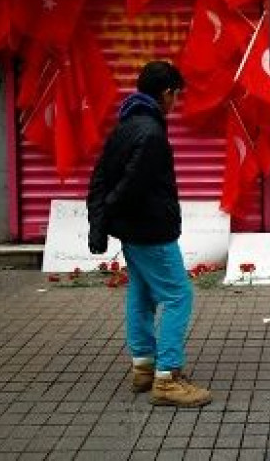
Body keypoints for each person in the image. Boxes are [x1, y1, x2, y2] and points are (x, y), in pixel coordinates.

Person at [87, 60, 212, 408]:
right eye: (176, 96)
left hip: (132, 232)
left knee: (141, 295)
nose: (176, 103)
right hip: (152, 232)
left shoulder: (125, 125)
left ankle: (143, 367)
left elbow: (99, 177)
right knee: (178, 296)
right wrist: (105, 217)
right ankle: (167, 379)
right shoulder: (152, 133)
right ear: (166, 93)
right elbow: (132, 186)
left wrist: (102, 221)